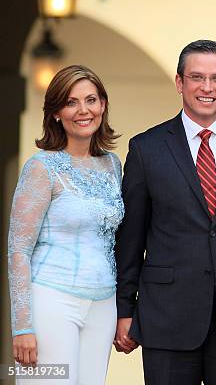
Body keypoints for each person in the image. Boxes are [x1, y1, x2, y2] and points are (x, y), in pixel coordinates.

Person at [114, 39, 216, 385]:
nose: (208, 88)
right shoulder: (146, 149)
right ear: (180, 82)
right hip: (167, 317)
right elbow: (130, 238)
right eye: (197, 77)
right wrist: (124, 310)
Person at [8, 65, 123, 385]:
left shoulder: (113, 165)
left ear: (103, 105)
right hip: (51, 301)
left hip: (103, 304)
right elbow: (18, 249)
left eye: (91, 100)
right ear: (56, 112)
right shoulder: (41, 167)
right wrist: (22, 326)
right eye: (71, 102)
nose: (83, 110)